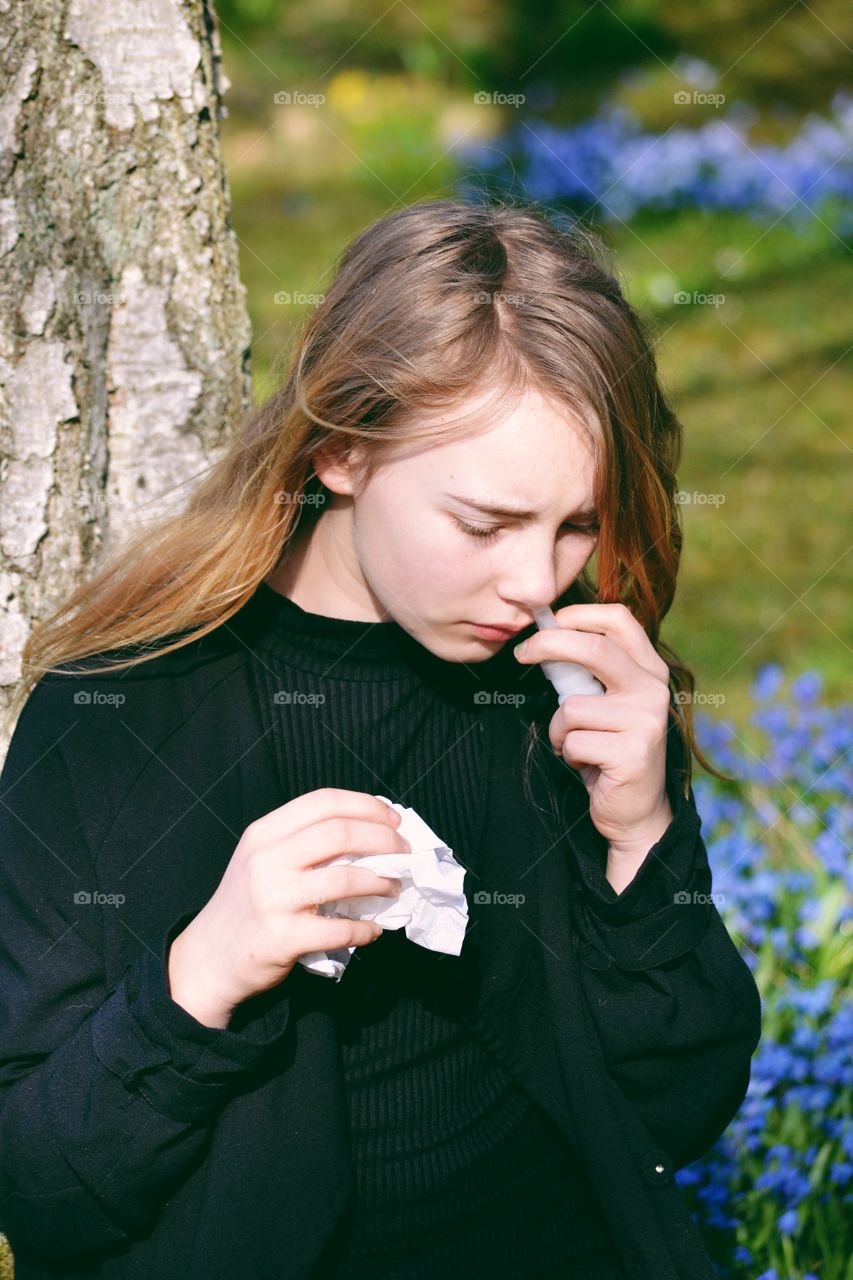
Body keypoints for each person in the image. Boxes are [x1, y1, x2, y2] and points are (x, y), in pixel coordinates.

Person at [0, 198, 761, 1280]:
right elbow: (40, 1192)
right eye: (485, 523)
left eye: (577, 524)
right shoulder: (122, 716)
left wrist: (643, 835)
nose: (535, 582)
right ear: (341, 451)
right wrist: (200, 975)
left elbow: (675, 1108)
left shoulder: (563, 695)